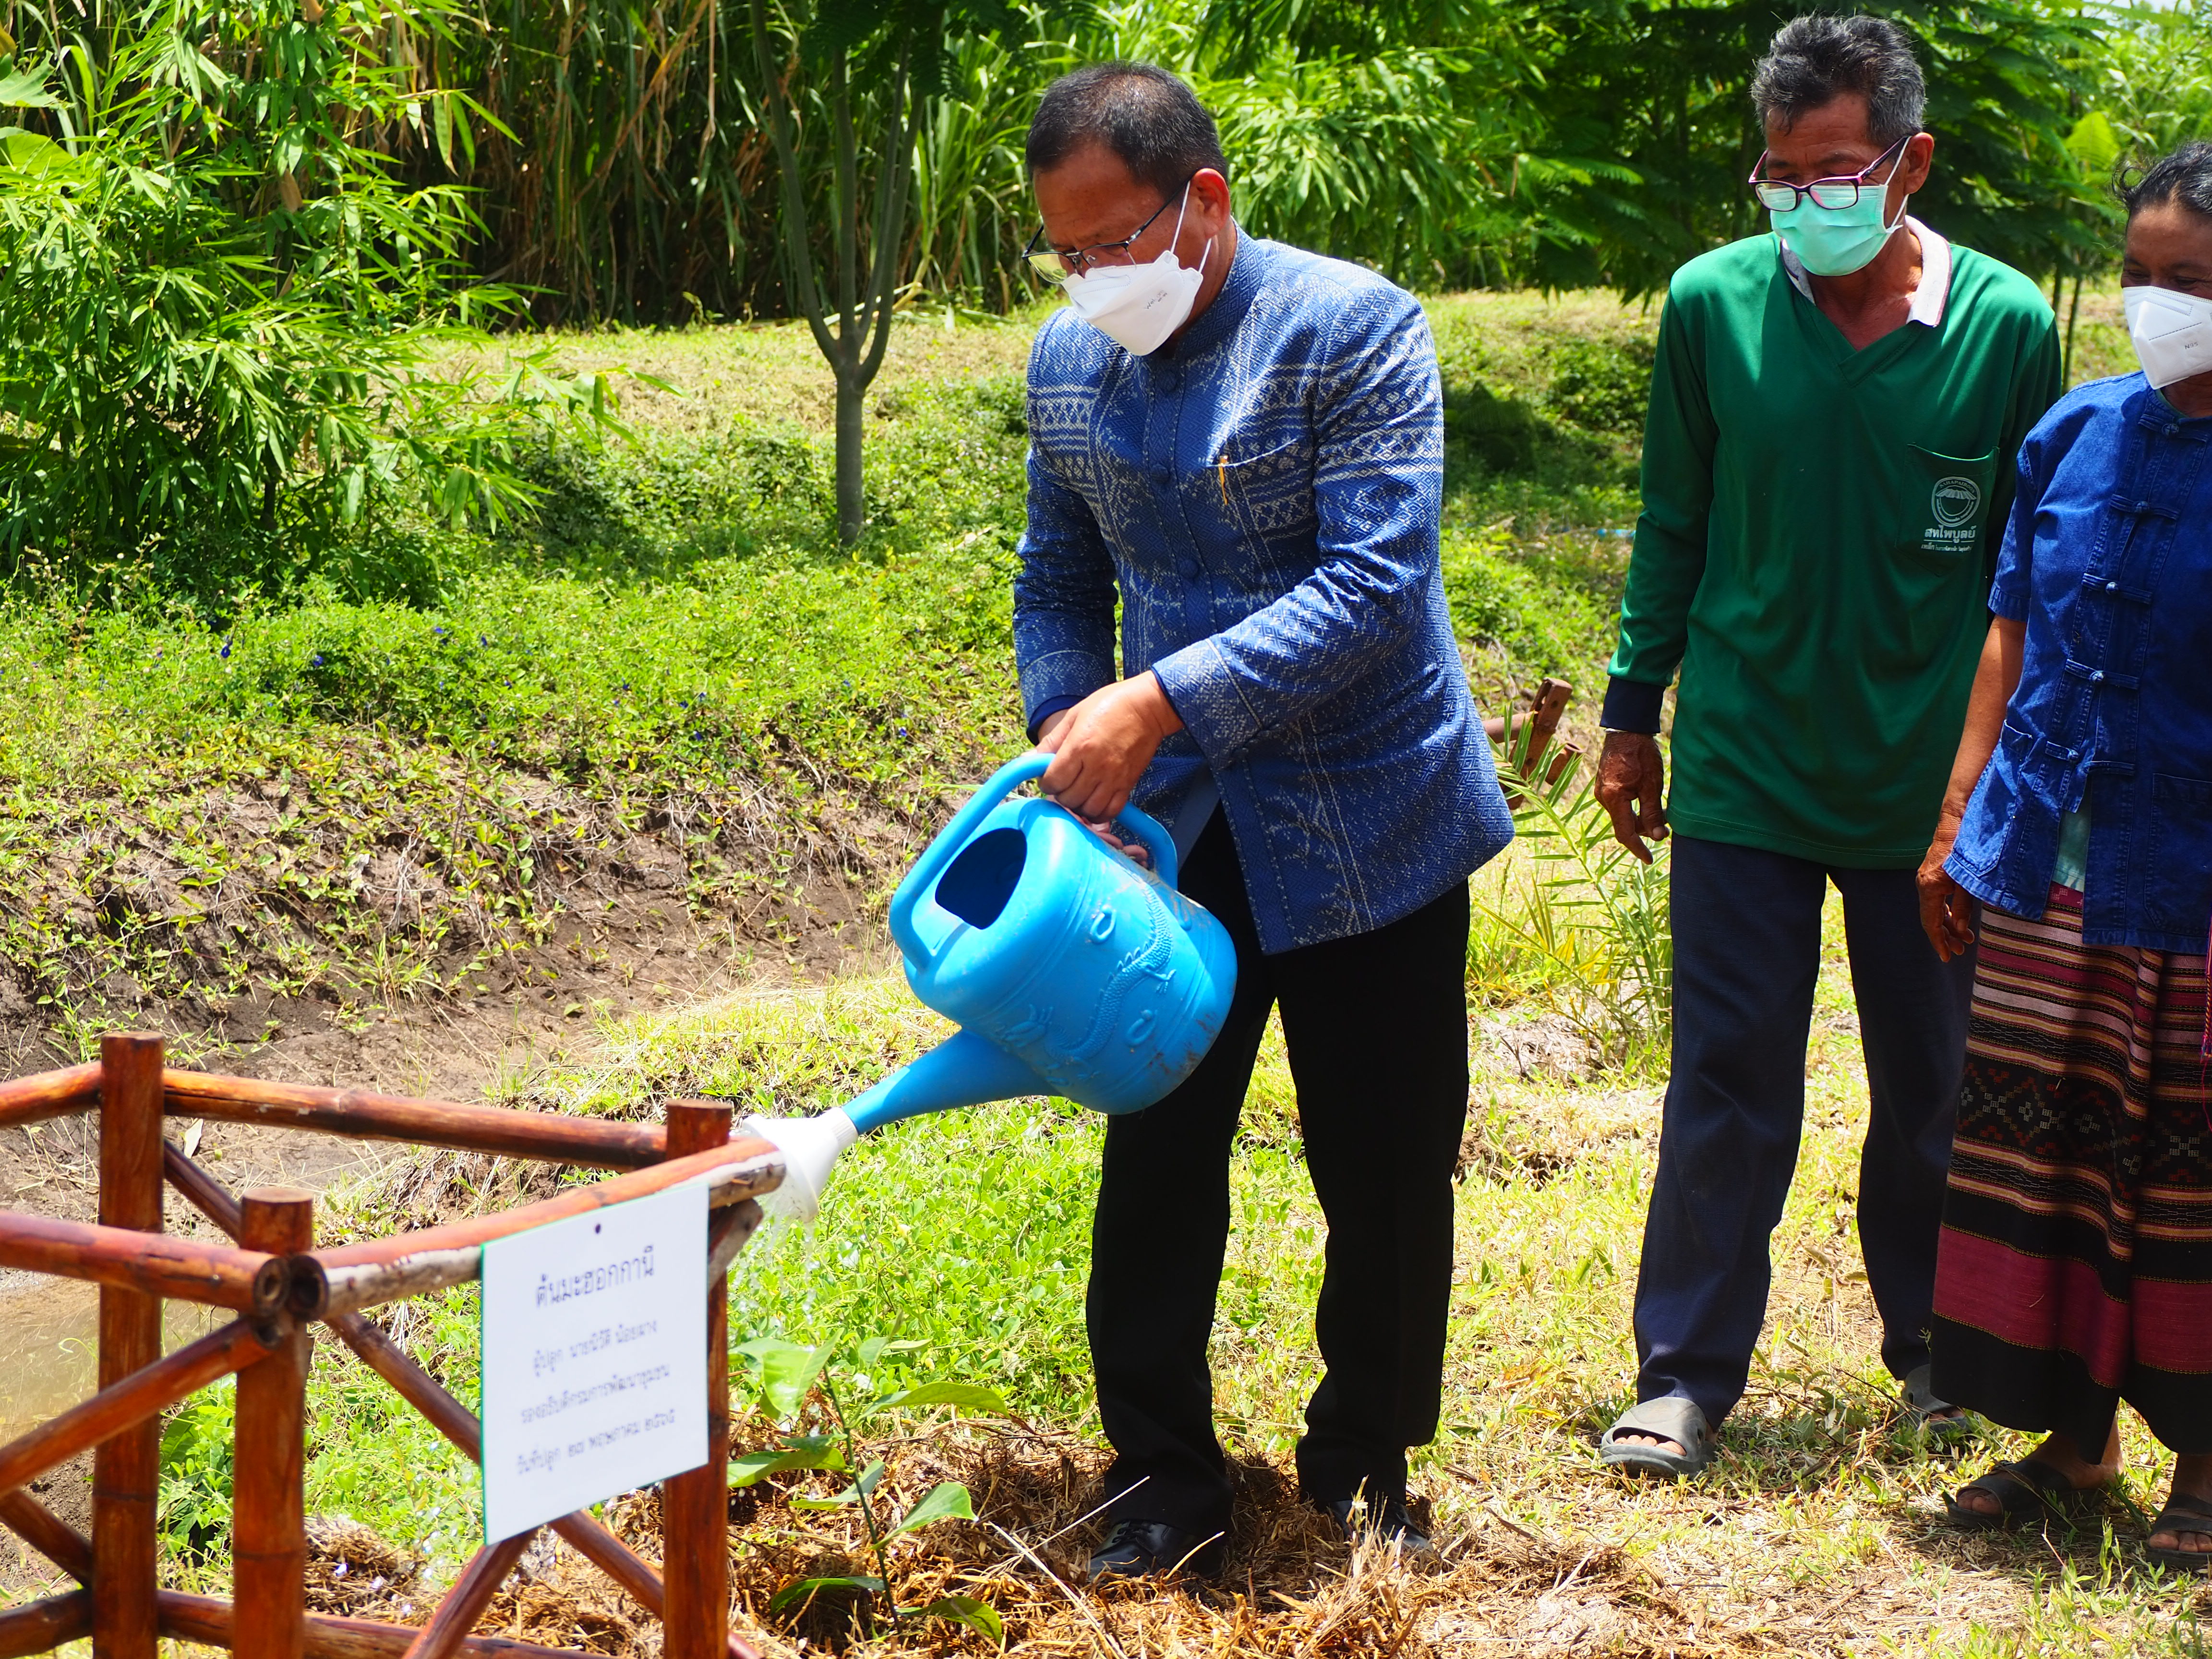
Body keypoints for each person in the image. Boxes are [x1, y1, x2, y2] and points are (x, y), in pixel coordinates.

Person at [1010, 62, 1515, 1577]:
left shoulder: (1353, 329)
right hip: (1170, 841)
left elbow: (1373, 591)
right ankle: (1160, 1473)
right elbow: (1057, 577)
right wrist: (1064, 720)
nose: (1093, 277)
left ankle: (1363, 1463)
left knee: (1383, 1162)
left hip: (1375, 817)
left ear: (1205, 203)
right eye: (1065, 250)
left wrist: (1152, 702)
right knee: (1157, 1148)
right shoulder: (1067, 366)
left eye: (1115, 240)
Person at [1592, 15, 2062, 1479]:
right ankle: (1683, 1372)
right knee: (1730, 1072)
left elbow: (2026, 575)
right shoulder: (1711, 308)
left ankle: (1937, 1354)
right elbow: (1674, 523)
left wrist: (1992, 784)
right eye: (1780, 174)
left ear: (1909, 163)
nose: (1806, 198)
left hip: (1931, 785)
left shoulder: (2004, 329)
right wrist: (1629, 708)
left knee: (1939, 1080)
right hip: (1743, 762)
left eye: (1836, 168)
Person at [1920, 143, 2212, 1573]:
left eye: (2192, 283)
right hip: (2053, 863)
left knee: (2183, 1165)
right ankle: (2070, 1438)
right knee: (2050, 1148)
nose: (2156, 304)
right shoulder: (2074, 434)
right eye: (2141, 275)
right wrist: (1959, 822)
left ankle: (2207, 1465)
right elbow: (2011, 637)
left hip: (2197, 874)